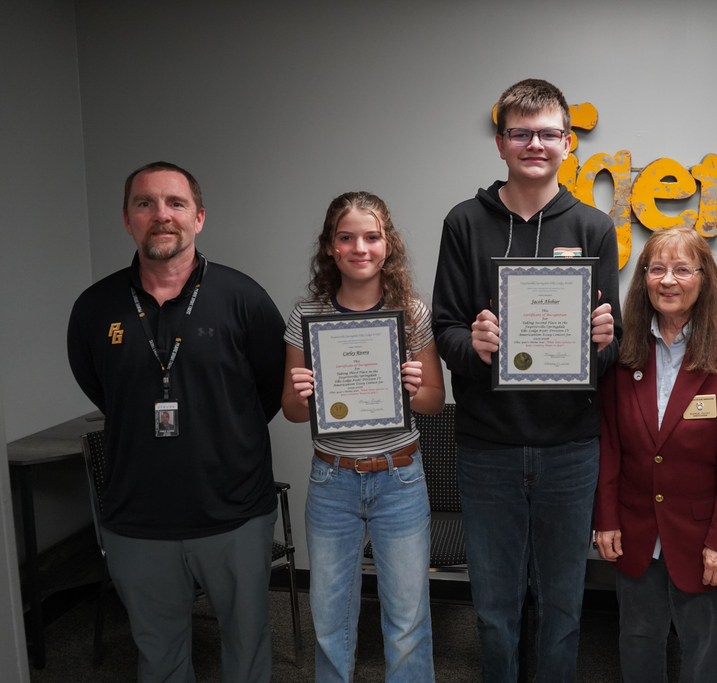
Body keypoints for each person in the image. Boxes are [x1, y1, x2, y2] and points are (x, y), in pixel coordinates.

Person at [431, 78, 621, 682]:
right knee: (494, 610)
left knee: (563, 608)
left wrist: (604, 343)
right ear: (501, 143)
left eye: (547, 134)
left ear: (567, 142)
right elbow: (444, 329)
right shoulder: (464, 222)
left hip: (571, 448)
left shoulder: (594, 227)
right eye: (521, 133)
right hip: (487, 447)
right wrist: (475, 346)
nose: (534, 144)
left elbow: (613, 348)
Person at [67, 161, 286, 683]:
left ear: (199, 217)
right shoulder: (95, 307)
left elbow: (271, 388)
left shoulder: (243, 297)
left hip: (234, 512)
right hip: (137, 518)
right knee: (158, 656)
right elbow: (101, 388)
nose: (161, 215)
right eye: (145, 204)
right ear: (128, 219)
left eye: (176, 203)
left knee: (247, 648)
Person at [282, 191, 444, 682]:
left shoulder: (411, 312)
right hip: (333, 480)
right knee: (330, 620)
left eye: (371, 237)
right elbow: (291, 412)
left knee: (408, 618)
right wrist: (302, 394)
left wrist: (413, 389)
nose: (360, 248)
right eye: (346, 237)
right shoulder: (307, 315)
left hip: (400, 478)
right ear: (330, 246)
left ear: (387, 245)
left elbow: (435, 401)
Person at [593, 227, 717, 683]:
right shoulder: (622, 350)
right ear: (643, 279)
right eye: (657, 269)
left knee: (701, 650)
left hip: (703, 536)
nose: (668, 280)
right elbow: (610, 441)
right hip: (634, 529)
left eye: (682, 269)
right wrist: (605, 517)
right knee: (637, 640)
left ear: (704, 278)